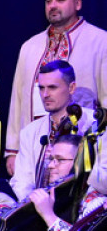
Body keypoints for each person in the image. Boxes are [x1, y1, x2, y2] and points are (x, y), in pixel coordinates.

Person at [6, 0, 107, 174]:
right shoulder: (30, 46)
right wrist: (13, 150)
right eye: (48, 1)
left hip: (81, 149)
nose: (53, 5)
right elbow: (17, 100)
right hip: (36, 145)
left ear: (77, 4)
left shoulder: (100, 41)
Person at [10, 61, 94, 200]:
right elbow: (21, 182)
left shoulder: (93, 123)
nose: (45, 94)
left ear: (71, 87)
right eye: (41, 88)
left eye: (52, 87)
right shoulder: (30, 132)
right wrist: (36, 206)